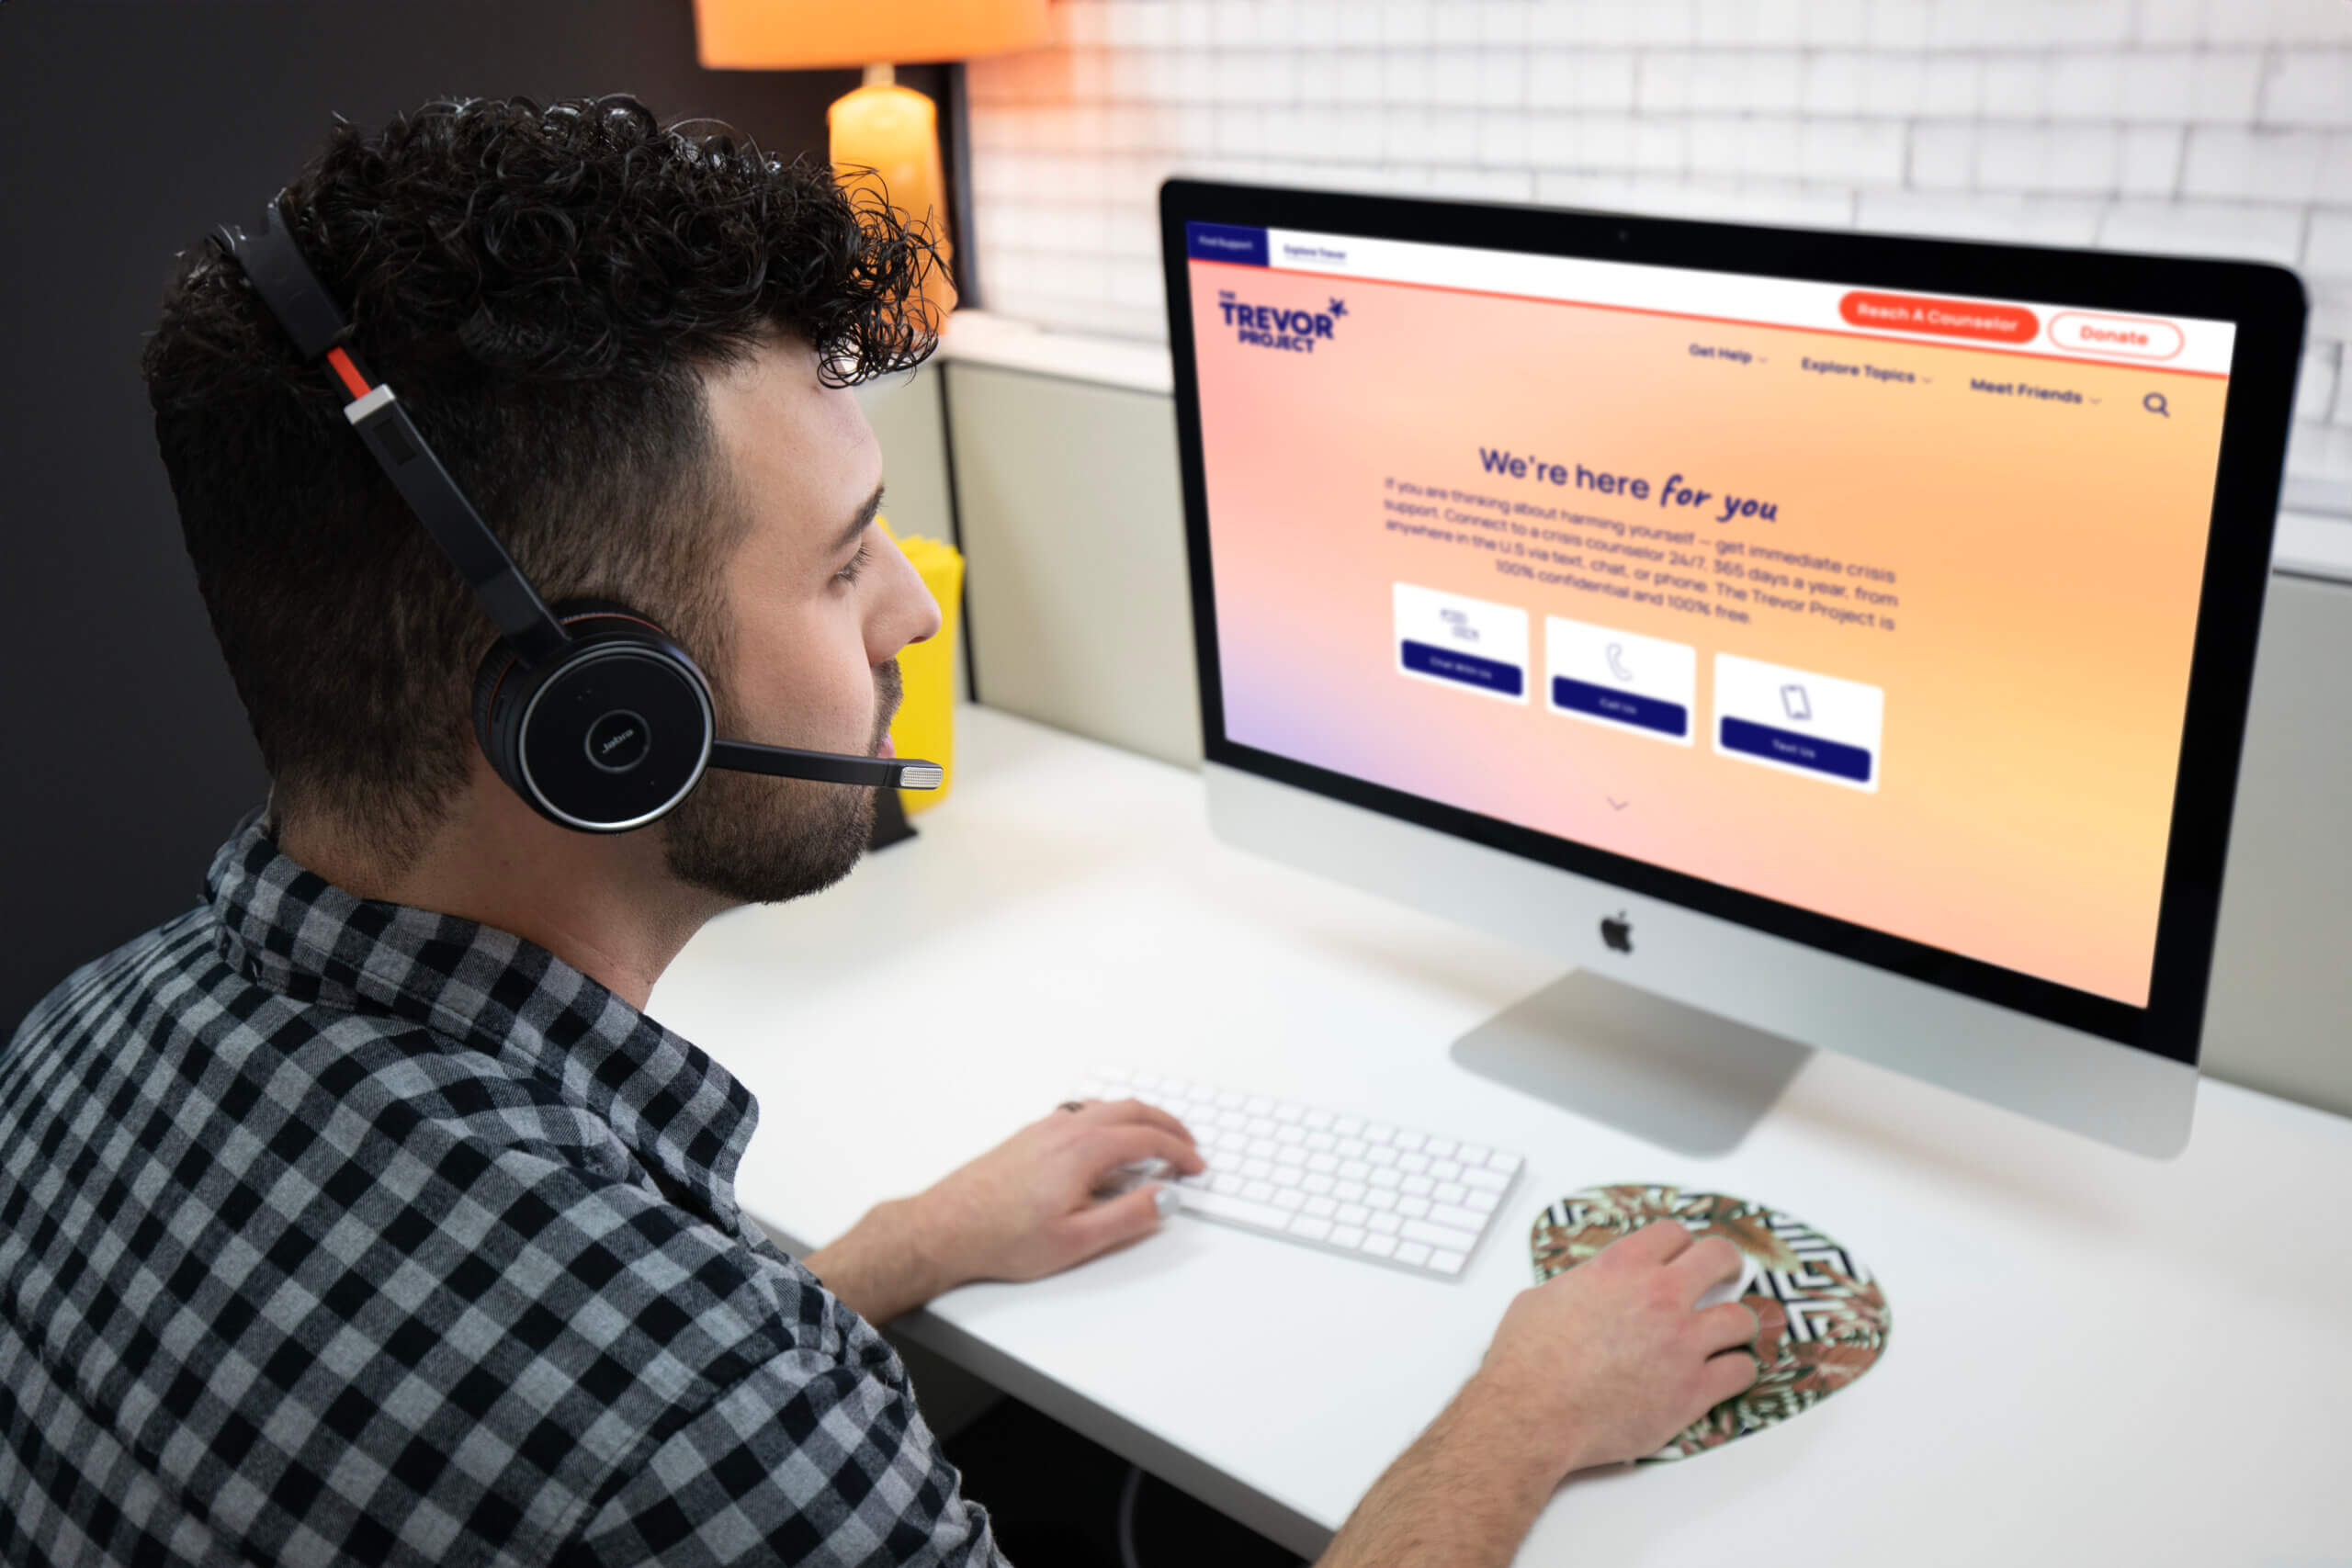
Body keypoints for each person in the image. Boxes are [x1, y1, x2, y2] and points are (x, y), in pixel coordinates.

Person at [0, 96, 1759, 1566]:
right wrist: (1525, 1420)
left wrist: (901, 1246)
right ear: (606, 729)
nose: (913, 617)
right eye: (846, 562)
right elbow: (662, 1418)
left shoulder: (77, 1050)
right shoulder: (704, 1419)